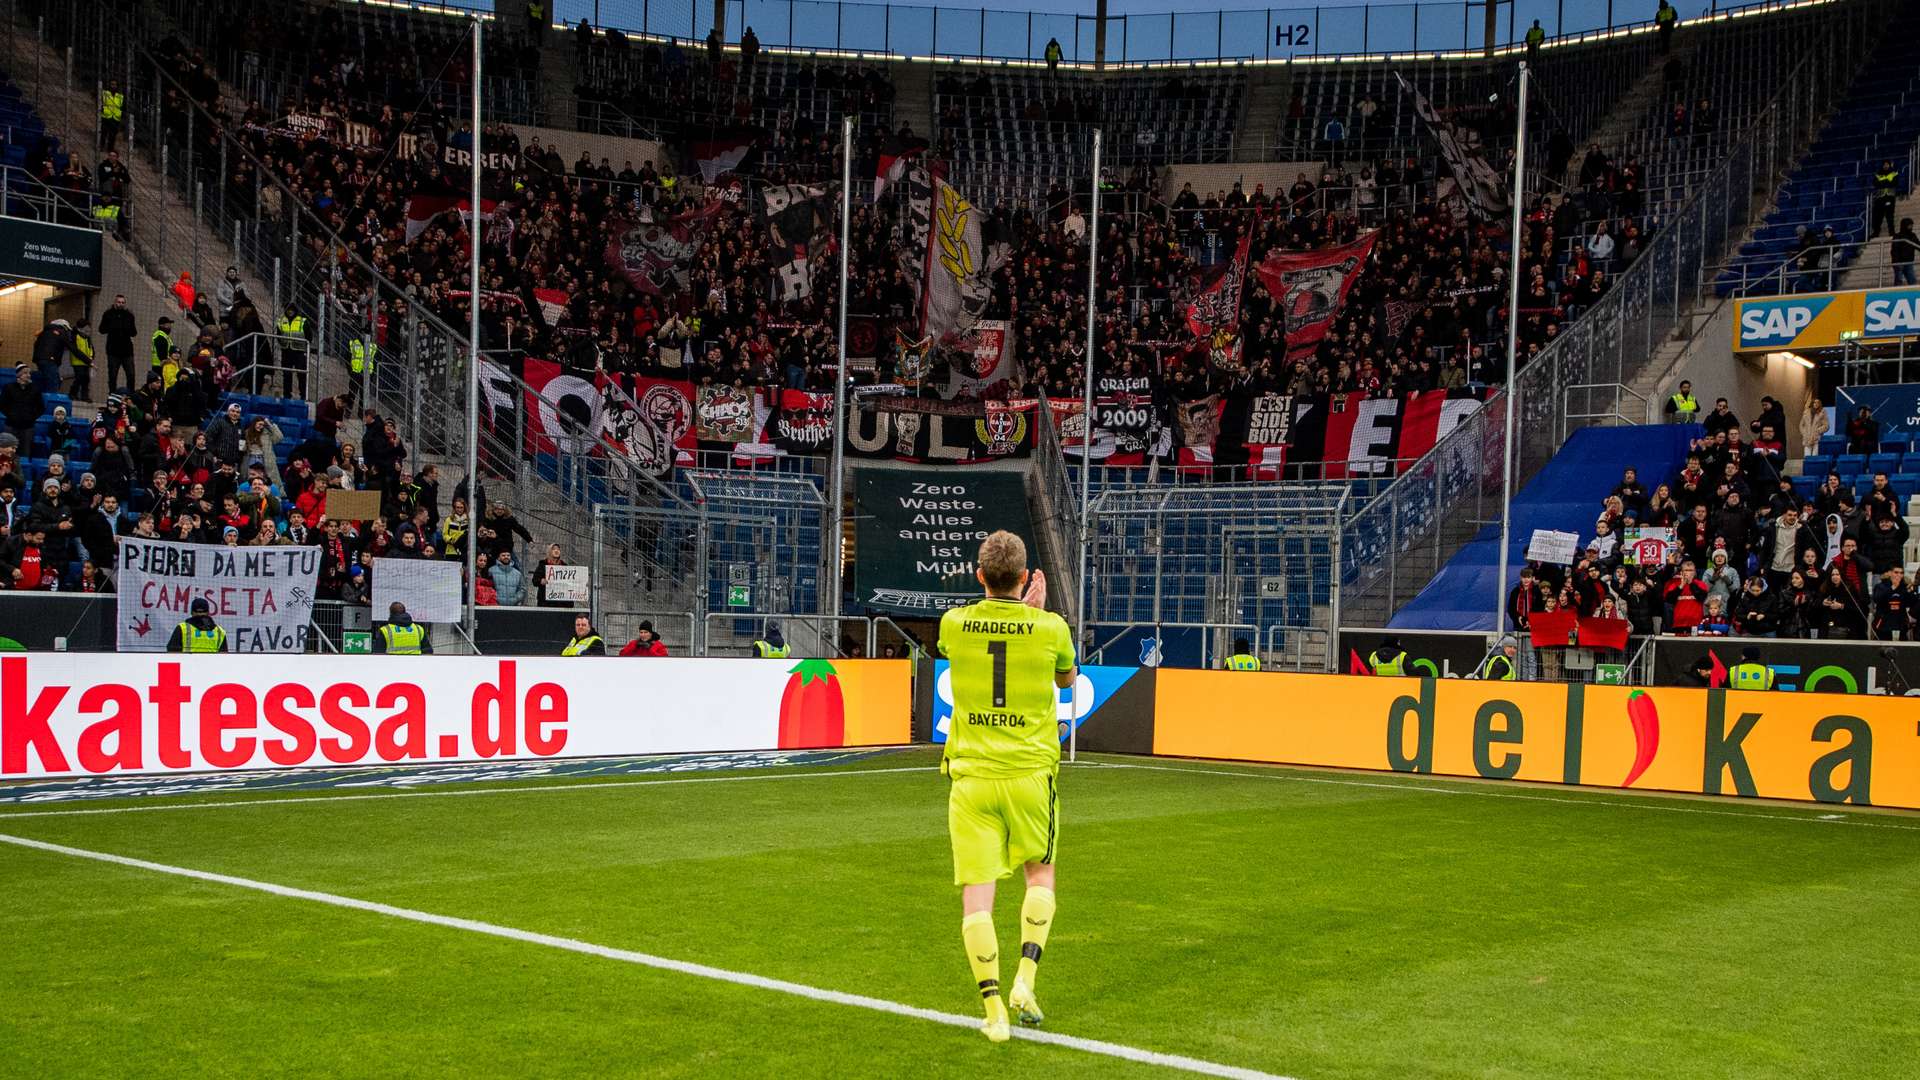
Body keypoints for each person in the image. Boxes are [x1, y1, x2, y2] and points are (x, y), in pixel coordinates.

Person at [937, 530, 1074, 1042]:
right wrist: (1035, 615)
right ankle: (1025, 981)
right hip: (1030, 775)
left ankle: (992, 1010)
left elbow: (964, 641)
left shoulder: (954, 622)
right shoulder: (1050, 627)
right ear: (1024, 578)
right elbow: (1065, 681)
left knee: (978, 897)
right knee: (1040, 877)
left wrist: (1014, 612)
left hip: (972, 779)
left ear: (979, 576)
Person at [99, 294, 137, 394]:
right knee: (112, 376)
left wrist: (127, 329)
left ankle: (130, 396)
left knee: (131, 375)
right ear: (115, 302)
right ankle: (112, 395)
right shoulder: (108, 314)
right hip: (113, 350)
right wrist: (112, 327)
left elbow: (134, 332)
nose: (120, 304)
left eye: (122, 302)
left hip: (127, 351)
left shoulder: (129, 315)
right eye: (119, 302)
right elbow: (101, 329)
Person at [1872, 159, 1899, 238]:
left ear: (1890, 165)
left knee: (1890, 216)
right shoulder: (1878, 174)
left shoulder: (1894, 173)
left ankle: (1892, 232)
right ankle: (1876, 232)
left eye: (1887, 164)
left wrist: (1883, 182)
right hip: (1879, 198)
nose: (1886, 166)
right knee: (1878, 217)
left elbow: (1895, 183)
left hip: (1890, 197)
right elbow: (1875, 183)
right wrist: (1887, 182)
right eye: (1884, 164)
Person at [1893, 219, 1920, 286]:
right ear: (1905, 226)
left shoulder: (1912, 235)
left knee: (1912, 280)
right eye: (1909, 225)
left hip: (1909, 261)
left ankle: (1914, 293)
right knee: (1899, 280)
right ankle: (1896, 293)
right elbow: (1895, 249)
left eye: (1911, 225)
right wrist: (1896, 261)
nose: (1911, 227)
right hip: (1899, 262)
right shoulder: (1897, 236)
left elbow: (1918, 245)